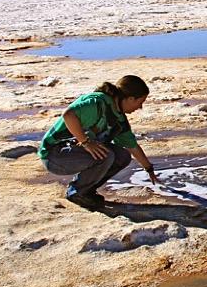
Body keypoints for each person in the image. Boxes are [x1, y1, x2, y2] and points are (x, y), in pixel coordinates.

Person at [39, 75, 157, 210]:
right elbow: (68, 115)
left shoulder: (118, 118)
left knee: (122, 156)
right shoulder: (98, 103)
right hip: (54, 155)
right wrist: (86, 142)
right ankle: (77, 193)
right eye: (140, 102)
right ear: (130, 98)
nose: (140, 107)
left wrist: (149, 168)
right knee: (106, 155)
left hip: (74, 153)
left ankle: (86, 190)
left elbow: (132, 146)